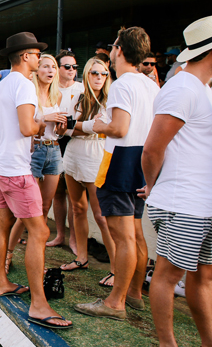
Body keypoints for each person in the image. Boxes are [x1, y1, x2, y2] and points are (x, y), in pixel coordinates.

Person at [75, 27, 159, 321]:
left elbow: (119, 128)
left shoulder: (123, 85)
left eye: (113, 46)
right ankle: (134, 294)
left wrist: (99, 125)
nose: (110, 51)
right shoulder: (151, 85)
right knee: (135, 233)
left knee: (123, 238)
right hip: (141, 161)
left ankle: (115, 302)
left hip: (120, 160)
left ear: (120, 50)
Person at [0, 32, 72, 329]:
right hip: (15, 169)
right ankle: (39, 304)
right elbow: (27, 128)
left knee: (3, 223)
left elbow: (9, 126)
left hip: (0, 163)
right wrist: (46, 120)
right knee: (39, 232)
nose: (40, 59)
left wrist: (38, 124)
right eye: (37, 54)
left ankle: (0, 281)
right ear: (26, 56)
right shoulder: (24, 84)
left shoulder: (2, 84)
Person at [140, 16, 212, 347]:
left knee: (204, 278)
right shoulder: (182, 88)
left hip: (203, 202)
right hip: (181, 204)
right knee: (168, 277)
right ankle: (167, 344)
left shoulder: (201, 89)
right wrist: (154, 186)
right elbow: (152, 150)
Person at [5, 54, 67, 272]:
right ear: (37, 70)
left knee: (44, 207)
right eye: (46, 66)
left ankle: (35, 254)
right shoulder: (28, 92)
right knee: (27, 210)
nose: (51, 71)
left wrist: (61, 125)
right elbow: (27, 125)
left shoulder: (56, 95)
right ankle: (9, 253)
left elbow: (59, 131)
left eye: (53, 67)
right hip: (34, 151)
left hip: (54, 150)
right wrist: (45, 120)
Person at [60, 58, 116, 283]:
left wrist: (73, 128)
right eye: (94, 73)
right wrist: (78, 128)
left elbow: (97, 129)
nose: (99, 78)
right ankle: (81, 257)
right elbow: (67, 128)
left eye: (103, 74)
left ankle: (116, 270)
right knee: (77, 208)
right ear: (86, 74)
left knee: (101, 216)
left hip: (96, 157)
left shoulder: (111, 100)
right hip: (73, 155)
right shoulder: (78, 97)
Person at [48, 50, 84, 251]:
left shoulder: (82, 89)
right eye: (67, 66)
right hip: (54, 141)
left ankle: (74, 240)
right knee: (57, 192)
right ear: (58, 68)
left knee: (74, 194)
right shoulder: (50, 89)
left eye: (74, 67)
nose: (72, 70)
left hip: (75, 140)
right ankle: (60, 235)